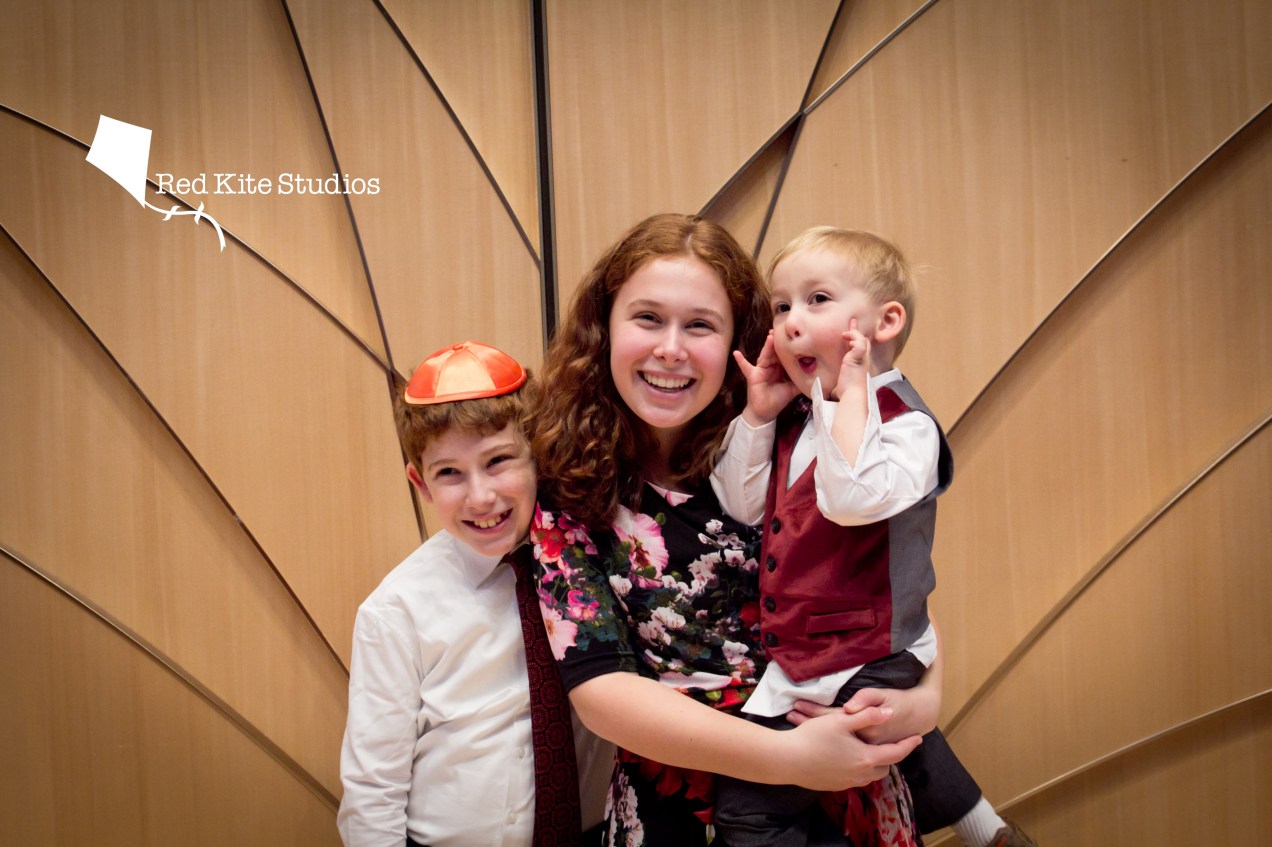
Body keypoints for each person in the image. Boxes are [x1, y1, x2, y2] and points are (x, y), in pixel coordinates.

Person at [527, 214, 942, 846]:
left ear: (738, 338)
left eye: (700, 325)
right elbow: (601, 690)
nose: (671, 349)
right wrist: (789, 758)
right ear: (604, 327)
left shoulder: (810, 423)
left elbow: (896, 582)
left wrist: (923, 700)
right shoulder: (569, 485)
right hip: (681, 801)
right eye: (647, 318)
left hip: (847, 776)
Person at [710, 227, 1036, 847]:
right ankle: (990, 832)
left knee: (754, 807)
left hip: (869, 647)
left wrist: (851, 396)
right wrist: (758, 416)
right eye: (782, 306)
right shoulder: (802, 416)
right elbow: (740, 504)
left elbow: (852, 500)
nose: (790, 323)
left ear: (884, 322)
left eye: (817, 300)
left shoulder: (907, 427)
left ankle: (986, 831)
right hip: (810, 651)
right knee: (885, 739)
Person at [337, 341, 614, 847]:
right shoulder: (396, 612)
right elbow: (373, 791)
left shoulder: (592, 562)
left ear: (538, 457)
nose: (481, 496)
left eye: (498, 460)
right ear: (420, 484)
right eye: (450, 473)